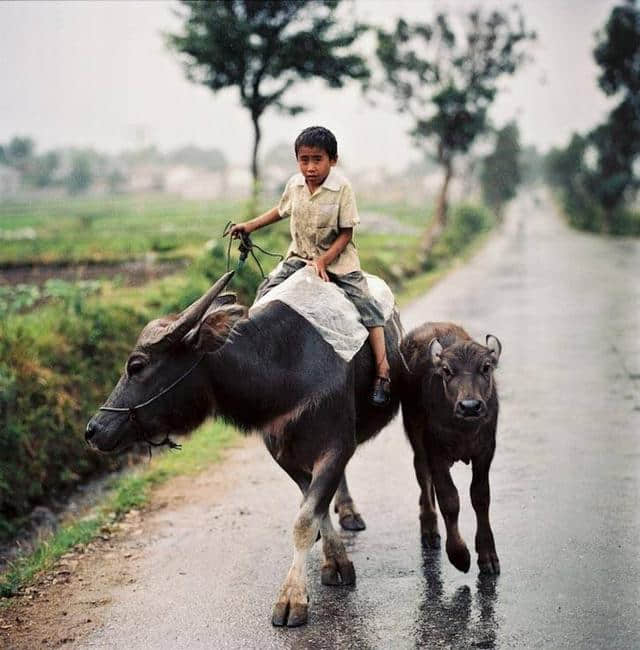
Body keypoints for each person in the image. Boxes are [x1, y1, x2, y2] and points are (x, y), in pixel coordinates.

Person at [229, 126, 391, 406]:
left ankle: (382, 370)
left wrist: (323, 261)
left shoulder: (342, 189)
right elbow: (280, 211)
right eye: (304, 160)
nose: (310, 167)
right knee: (264, 295)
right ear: (297, 161)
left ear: (333, 160)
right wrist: (249, 226)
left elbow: (346, 234)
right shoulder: (295, 185)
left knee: (367, 305)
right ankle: (259, 366)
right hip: (299, 258)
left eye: (317, 160)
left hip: (339, 262)